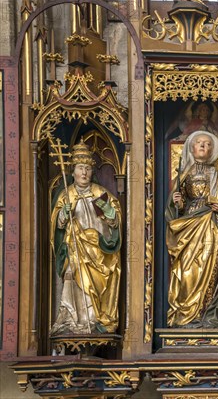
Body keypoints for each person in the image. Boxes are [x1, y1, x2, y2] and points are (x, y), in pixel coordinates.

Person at [166, 130, 218, 328]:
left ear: (213, 151)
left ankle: (207, 315)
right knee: (188, 270)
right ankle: (185, 315)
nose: (204, 147)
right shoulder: (183, 176)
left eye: (208, 144)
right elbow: (172, 212)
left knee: (209, 269)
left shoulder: (217, 176)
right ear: (191, 147)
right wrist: (178, 205)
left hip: (211, 226)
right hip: (188, 227)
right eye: (200, 143)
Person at [50, 141, 122, 335]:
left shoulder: (101, 194)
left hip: (98, 251)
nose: (84, 173)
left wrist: (110, 214)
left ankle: (93, 319)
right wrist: (63, 216)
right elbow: (56, 227)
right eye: (80, 168)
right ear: (73, 171)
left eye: (88, 169)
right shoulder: (66, 195)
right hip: (74, 248)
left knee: (98, 282)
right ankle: (72, 317)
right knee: (71, 276)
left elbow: (115, 225)